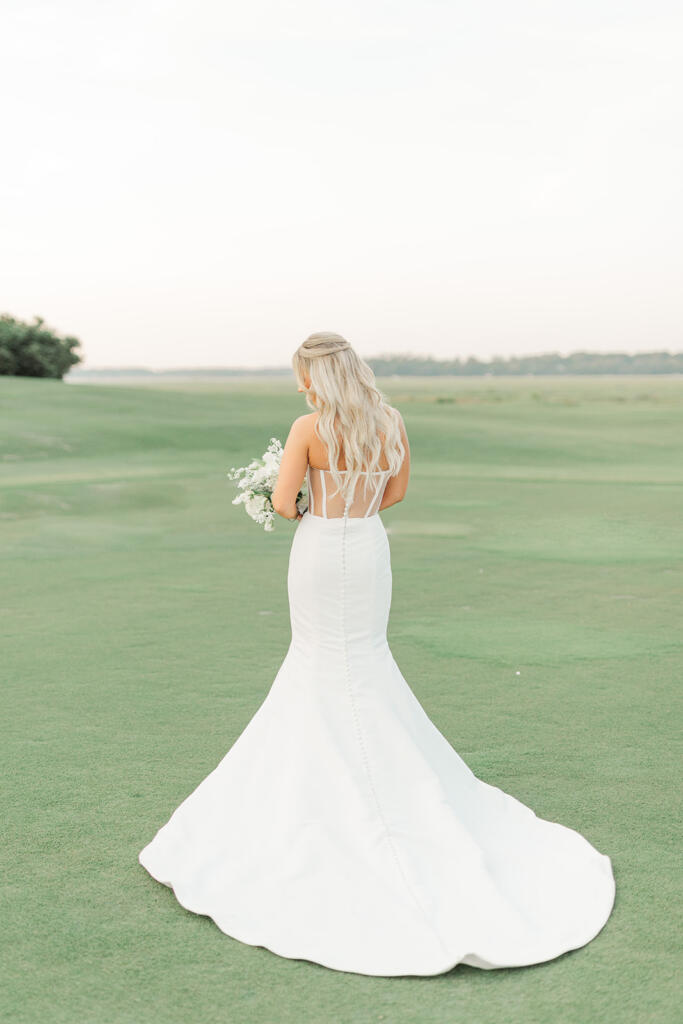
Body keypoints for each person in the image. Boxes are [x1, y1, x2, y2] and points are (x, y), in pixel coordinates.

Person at [138, 332, 616, 977]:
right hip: (366, 547)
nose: (300, 386)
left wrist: (297, 499)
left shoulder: (310, 426)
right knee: (362, 655)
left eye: (302, 376)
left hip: (320, 547)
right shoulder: (389, 421)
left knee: (315, 657)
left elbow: (283, 504)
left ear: (316, 378)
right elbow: (395, 494)